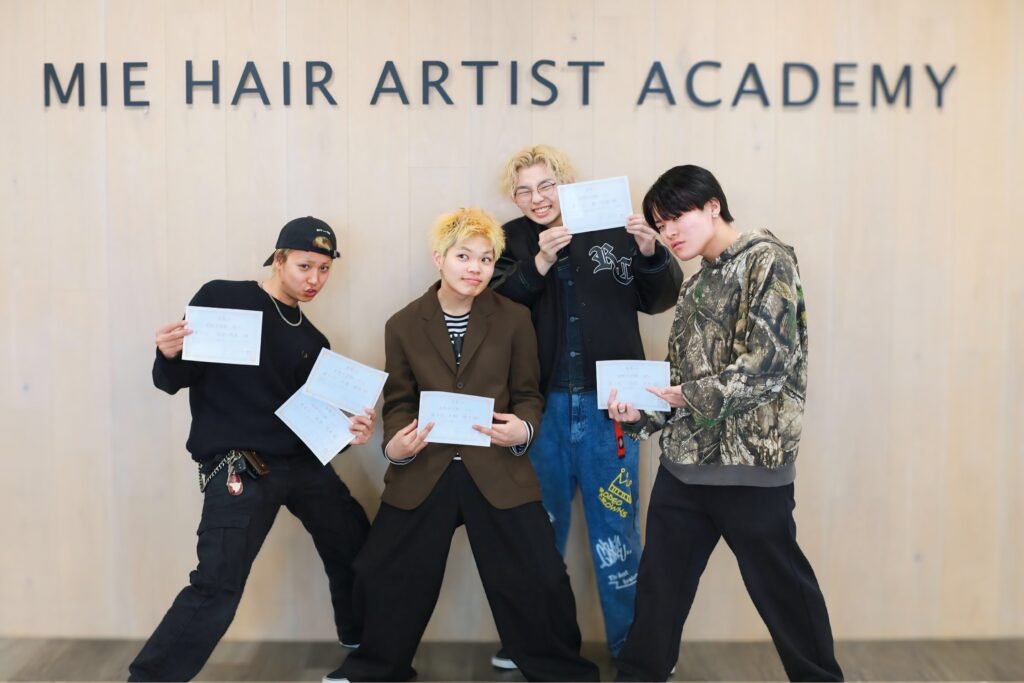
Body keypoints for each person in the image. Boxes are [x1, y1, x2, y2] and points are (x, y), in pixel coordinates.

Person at [323, 208, 598, 683]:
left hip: (497, 464)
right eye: (464, 257)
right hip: (424, 466)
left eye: (486, 259)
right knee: (381, 569)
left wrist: (523, 431)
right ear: (440, 258)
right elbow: (399, 402)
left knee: (541, 573)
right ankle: (376, 668)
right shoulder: (403, 324)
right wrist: (396, 447)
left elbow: (528, 395)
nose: (476, 268)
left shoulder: (513, 318)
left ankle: (560, 672)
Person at [607, 165, 843, 682]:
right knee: (659, 593)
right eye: (660, 225)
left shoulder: (767, 259)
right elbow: (680, 377)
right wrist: (642, 413)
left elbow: (768, 365)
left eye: (677, 217)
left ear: (713, 205)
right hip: (683, 468)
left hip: (750, 468)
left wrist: (687, 395)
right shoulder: (695, 284)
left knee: (783, 592)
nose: (669, 233)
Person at [129, 216, 376, 682]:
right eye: (305, 266)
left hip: (303, 465)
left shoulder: (314, 341)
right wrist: (168, 353)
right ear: (278, 259)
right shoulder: (225, 299)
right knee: (217, 582)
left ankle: (363, 647)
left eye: (324, 269)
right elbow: (173, 380)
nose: (314, 279)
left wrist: (350, 434)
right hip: (239, 464)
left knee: (355, 543)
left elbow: (313, 423)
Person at [489, 144, 683, 664]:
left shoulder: (615, 228)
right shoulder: (509, 240)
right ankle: (537, 645)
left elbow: (660, 299)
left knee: (617, 532)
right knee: (539, 531)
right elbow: (495, 306)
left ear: (567, 184)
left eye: (546, 185)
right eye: (524, 190)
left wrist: (650, 252)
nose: (537, 198)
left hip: (612, 407)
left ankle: (633, 648)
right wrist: (540, 261)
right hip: (539, 410)